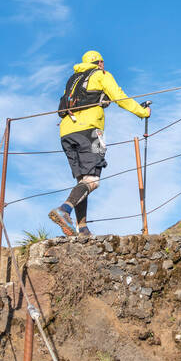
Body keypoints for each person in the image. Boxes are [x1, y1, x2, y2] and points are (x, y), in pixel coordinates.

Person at [49, 50, 150, 236]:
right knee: (92, 181)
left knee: (82, 181)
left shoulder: (72, 80)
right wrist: (142, 112)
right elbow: (120, 96)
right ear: (100, 63)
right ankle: (64, 210)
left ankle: (82, 229)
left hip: (66, 133)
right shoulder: (100, 75)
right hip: (89, 131)